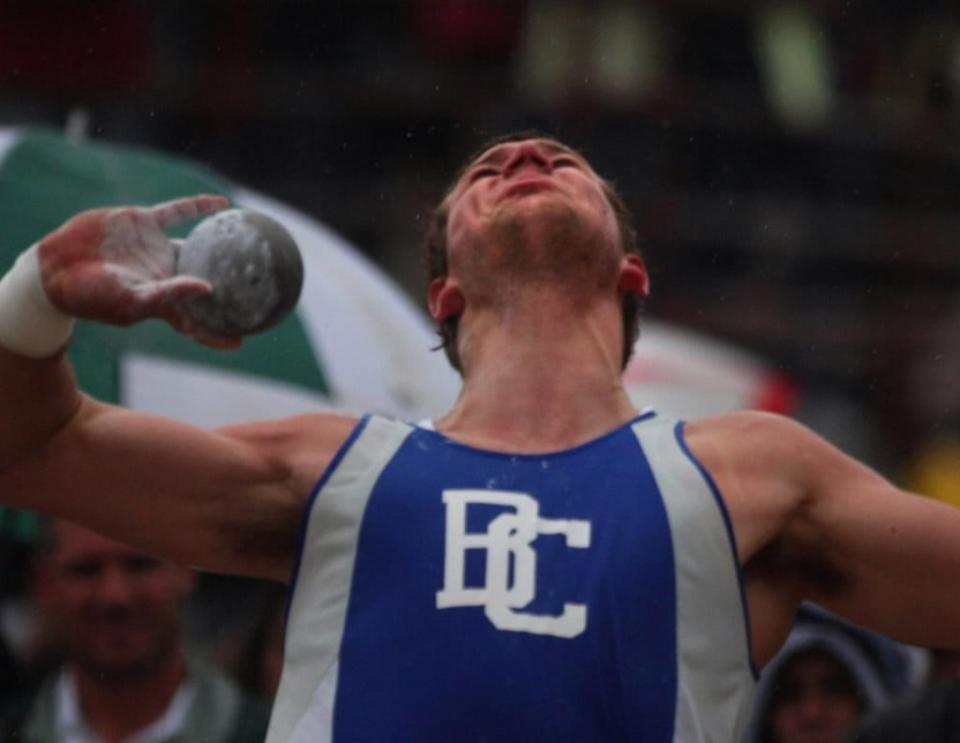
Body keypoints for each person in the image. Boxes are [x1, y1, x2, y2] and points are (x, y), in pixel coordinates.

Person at [1, 133, 960, 742]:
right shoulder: (333, 469)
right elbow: (32, 448)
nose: (523, 156)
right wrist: (37, 291)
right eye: (484, 170)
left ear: (631, 275)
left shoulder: (749, 474)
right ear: (444, 295)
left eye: (564, 161)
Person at [0, 519, 270, 742]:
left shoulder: (280, 733)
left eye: (140, 565)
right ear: (42, 581)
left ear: (186, 569)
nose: (115, 595)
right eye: (86, 570)